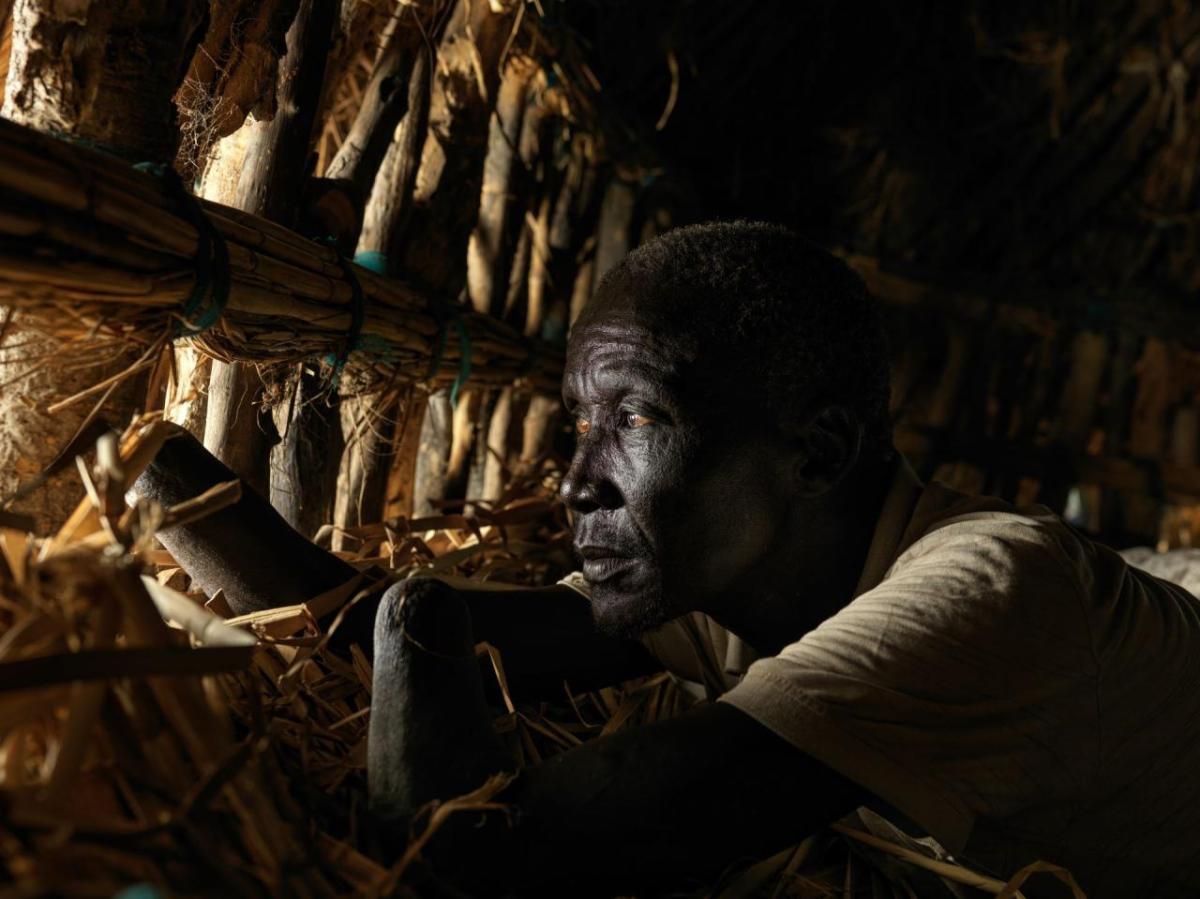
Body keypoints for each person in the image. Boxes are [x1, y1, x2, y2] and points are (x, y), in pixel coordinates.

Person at [135, 222, 1200, 897]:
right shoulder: (743, 577)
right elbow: (381, 624)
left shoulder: (989, 588)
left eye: (636, 416)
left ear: (815, 452)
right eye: (579, 422)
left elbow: (533, 837)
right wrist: (164, 481)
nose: (574, 479)